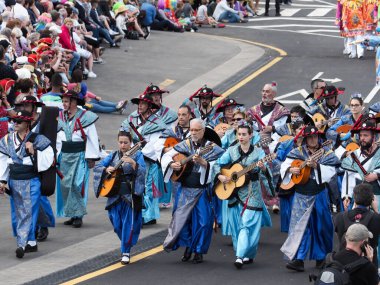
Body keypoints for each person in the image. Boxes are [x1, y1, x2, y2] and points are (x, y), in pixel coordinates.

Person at [161, 118, 224, 264]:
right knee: (183, 221)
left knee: (203, 222)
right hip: (185, 189)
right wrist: (172, 164)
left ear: (203, 131)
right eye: (191, 130)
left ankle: (198, 250)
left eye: (196, 130)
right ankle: (188, 247)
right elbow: (166, 156)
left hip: (202, 190)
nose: (193, 133)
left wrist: (205, 164)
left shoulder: (213, 147)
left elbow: (221, 164)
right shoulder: (185, 143)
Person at [213, 121, 274, 269]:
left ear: (251, 135)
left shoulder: (259, 153)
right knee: (238, 227)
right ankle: (246, 254)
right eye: (238, 134)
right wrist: (220, 176)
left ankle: (240, 256)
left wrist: (263, 168)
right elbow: (217, 164)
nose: (240, 137)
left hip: (252, 192)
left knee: (248, 225)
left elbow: (265, 173)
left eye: (244, 134)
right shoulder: (231, 150)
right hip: (234, 192)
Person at [280, 126, 339, 272]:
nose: (313, 139)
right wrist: (290, 169)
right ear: (305, 139)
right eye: (310, 137)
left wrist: (317, 166)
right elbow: (285, 165)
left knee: (321, 226)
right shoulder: (297, 152)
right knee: (299, 227)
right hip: (300, 194)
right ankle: (298, 259)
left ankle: (320, 258)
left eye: (315, 137)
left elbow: (332, 172)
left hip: (319, 194)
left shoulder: (327, 153)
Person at [0, 110, 54, 258]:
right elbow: (3, 159)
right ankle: (31, 242)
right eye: (15, 121)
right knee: (18, 213)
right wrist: (2, 181)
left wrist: (34, 151)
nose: (15, 124)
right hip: (14, 180)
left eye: (19, 121)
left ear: (28, 123)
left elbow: (50, 157)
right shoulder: (7, 139)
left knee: (28, 212)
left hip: (31, 179)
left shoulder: (38, 139)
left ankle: (21, 244)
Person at [93, 131, 146, 265]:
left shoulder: (138, 154)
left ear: (131, 143)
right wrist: (106, 169)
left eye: (126, 142)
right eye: (120, 142)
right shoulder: (113, 155)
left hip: (129, 194)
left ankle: (125, 252)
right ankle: (126, 241)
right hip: (114, 194)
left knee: (128, 223)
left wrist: (133, 163)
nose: (123, 145)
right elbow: (98, 166)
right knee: (116, 224)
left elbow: (143, 171)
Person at [56, 90, 100, 228]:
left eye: (66, 101)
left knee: (78, 184)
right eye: (63, 101)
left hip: (79, 155)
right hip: (64, 155)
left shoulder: (86, 117)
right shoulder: (60, 116)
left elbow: (92, 137)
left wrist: (91, 157)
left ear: (74, 102)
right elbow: (57, 137)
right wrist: (56, 154)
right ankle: (71, 213)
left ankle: (78, 215)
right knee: (65, 185)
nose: (63, 104)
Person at [121, 92, 166, 225]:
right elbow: (123, 130)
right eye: (139, 103)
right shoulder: (133, 118)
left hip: (147, 158)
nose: (140, 106)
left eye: (143, 104)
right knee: (135, 185)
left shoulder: (156, 122)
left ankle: (148, 216)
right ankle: (140, 213)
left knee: (148, 187)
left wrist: (140, 152)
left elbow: (156, 143)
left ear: (149, 106)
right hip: (135, 155)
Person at [334, 183, 380, 267]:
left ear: (354, 199)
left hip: (344, 264)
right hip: (368, 264)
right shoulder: (376, 218)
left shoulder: (340, 217)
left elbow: (339, 236)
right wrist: (376, 210)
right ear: (372, 200)